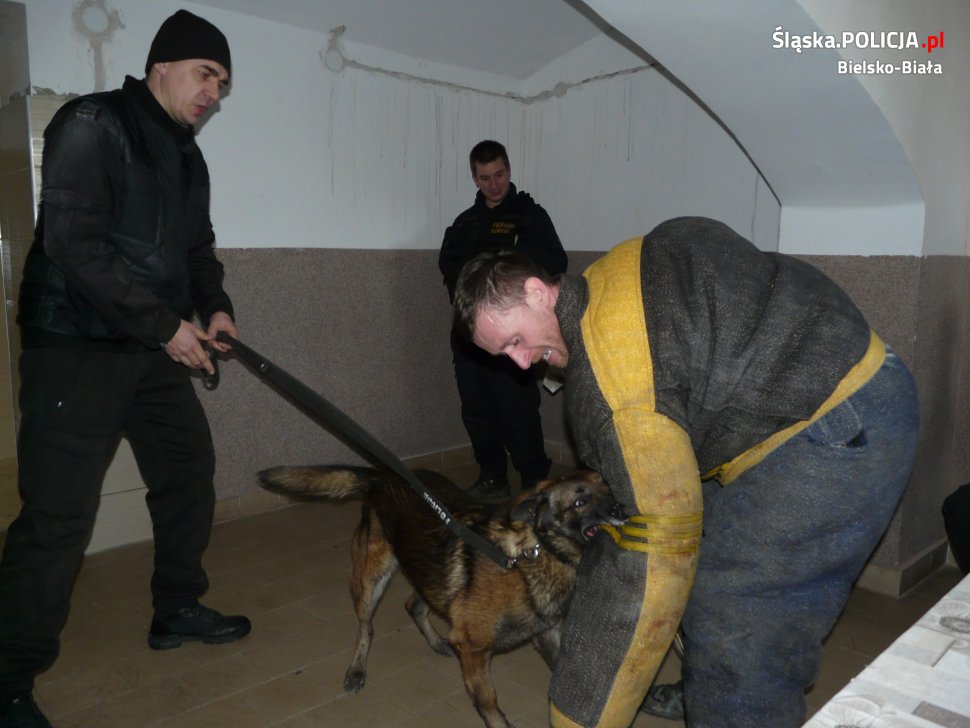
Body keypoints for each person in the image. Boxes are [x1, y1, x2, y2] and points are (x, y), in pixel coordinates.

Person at [452, 216, 919, 727]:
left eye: (515, 341)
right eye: (504, 355)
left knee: (739, 620)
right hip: (864, 373)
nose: (522, 364)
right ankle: (706, 686)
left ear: (537, 292)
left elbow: (652, 549)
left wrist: (578, 714)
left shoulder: (611, 387)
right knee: (710, 553)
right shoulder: (607, 275)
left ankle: (730, 700)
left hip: (833, 425)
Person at [0, 11, 251, 726]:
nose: (214, 93)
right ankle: (8, 678)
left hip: (151, 348)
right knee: (57, 518)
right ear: (162, 66)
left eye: (223, 84)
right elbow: (73, 243)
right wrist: (166, 327)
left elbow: (197, 250)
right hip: (75, 349)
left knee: (187, 471)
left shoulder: (188, 158)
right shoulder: (94, 122)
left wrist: (216, 308)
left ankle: (176, 608)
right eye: (207, 75)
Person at [438, 140, 568, 500]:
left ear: (509, 170)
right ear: (474, 178)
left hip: (515, 334)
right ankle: (492, 475)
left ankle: (534, 482)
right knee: (476, 409)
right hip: (471, 337)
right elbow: (448, 268)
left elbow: (555, 262)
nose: (493, 184)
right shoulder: (465, 222)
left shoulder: (529, 216)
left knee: (518, 409)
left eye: (499, 175)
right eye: (485, 178)